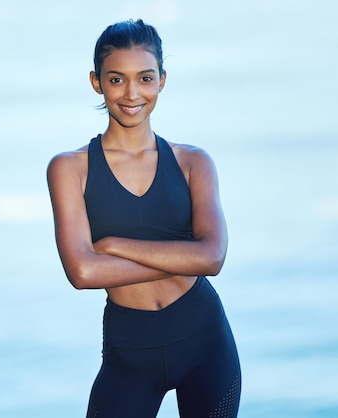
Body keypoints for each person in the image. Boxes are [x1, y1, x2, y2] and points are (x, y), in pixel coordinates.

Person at [46, 19, 241, 417]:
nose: (132, 94)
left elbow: (212, 259)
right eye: (117, 79)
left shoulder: (193, 163)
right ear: (96, 82)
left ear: (162, 80)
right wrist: (180, 255)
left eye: (145, 78)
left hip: (205, 341)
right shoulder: (70, 169)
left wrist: (115, 246)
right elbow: (82, 273)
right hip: (129, 351)